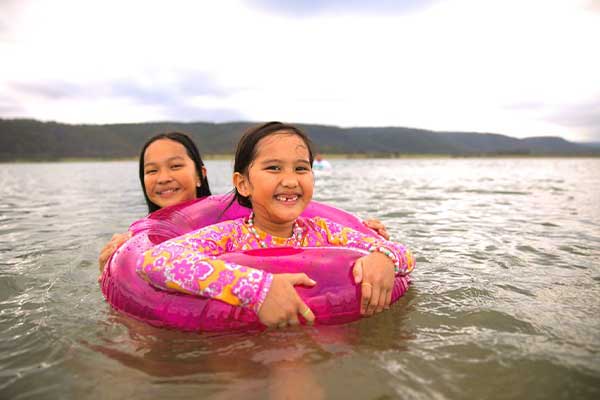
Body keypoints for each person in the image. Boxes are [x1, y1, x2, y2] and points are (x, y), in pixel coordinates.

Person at [137, 122, 414, 328]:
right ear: (243, 184)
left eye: (301, 169)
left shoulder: (324, 232)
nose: (291, 180)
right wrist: (256, 288)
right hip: (238, 342)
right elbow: (155, 261)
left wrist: (383, 258)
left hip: (316, 333)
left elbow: (402, 253)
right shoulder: (227, 236)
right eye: (273, 168)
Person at [98, 131, 389, 272]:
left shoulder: (233, 212)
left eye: (175, 166)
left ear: (200, 175)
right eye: (151, 170)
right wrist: (119, 261)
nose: (163, 178)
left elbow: (294, 209)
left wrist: (364, 233)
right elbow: (150, 264)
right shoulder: (142, 236)